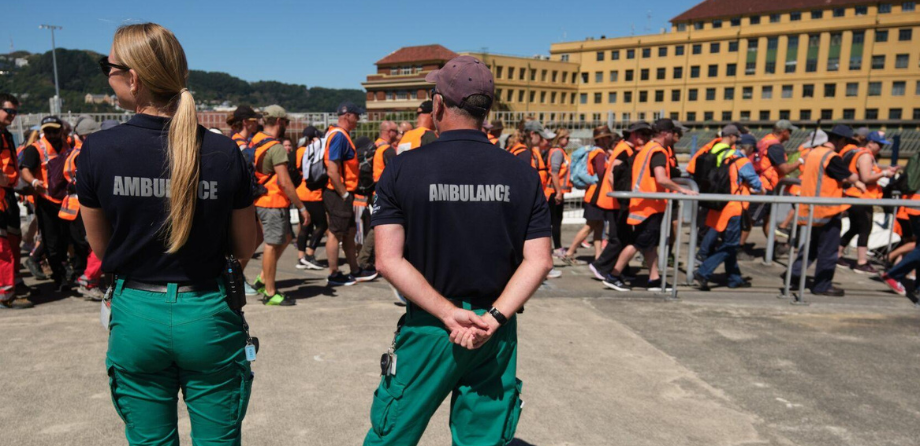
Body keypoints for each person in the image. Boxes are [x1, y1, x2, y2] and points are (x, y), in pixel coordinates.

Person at [80, 22, 257, 445]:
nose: (106, 73)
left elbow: (101, 245)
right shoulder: (223, 151)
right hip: (209, 310)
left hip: (137, 311)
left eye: (109, 66)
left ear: (134, 78)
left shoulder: (98, 150)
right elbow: (245, 243)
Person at [363, 54, 551, 446]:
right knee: (482, 437)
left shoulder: (403, 168)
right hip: (494, 328)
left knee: (391, 434)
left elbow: (387, 259)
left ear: (437, 105)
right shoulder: (522, 172)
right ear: (486, 110)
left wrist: (449, 314)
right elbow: (539, 260)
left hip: (431, 326)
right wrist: (494, 318)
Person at [603, 119, 697, 292]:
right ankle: (613, 275)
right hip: (649, 206)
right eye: (673, 133)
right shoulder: (658, 152)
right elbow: (661, 178)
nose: (675, 136)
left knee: (648, 244)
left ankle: (654, 279)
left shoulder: (646, 149)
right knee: (638, 243)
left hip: (643, 204)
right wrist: (682, 190)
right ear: (665, 133)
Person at [790, 124, 866, 297]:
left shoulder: (814, 152)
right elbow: (848, 175)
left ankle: (793, 276)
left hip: (811, 209)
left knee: (811, 248)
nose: (845, 146)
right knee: (828, 251)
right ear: (839, 140)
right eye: (845, 142)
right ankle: (822, 286)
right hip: (827, 210)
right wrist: (858, 182)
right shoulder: (831, 157)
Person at [250, 105, 309, 306]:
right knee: (272, 244)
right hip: (273, 202)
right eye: (286, 122)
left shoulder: (256, 141)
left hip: (261, 200)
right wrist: (301, 206)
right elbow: (284, 181)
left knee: (285, 238)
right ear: (278, 121)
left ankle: (263, 277)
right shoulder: (275, 147)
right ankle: (270, 292)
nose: (287, 126)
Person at [693, 131, 763, 290]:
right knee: (731, 245)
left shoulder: (724, 156)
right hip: (735, 207)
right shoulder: (742, 161)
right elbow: (756, 184)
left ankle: (734, 278)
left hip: (720, 205)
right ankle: (703, 272)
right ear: (750, 148)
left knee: (728, 244)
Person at [591, 121, 651, 280]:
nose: (645, 138)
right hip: (614, 200)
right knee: (617, 238)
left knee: (623, 237)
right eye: (642, 134)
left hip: (616, 199)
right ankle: (600, 266)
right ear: (633, 134)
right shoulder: (625, 150)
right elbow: (613, 172)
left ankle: (622, 270)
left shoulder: (627, 148)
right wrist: (619, 194)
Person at [20, 116, 74, 292]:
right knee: (51, 242)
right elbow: (25, 170)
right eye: (47, 131)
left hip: (67, 200)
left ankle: (66, 271)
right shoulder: (35, 149)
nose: (51, 134)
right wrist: (34, 182)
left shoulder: (69, 145)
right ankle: (59, 277)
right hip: (46, 201)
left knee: (68, 239)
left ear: (61, 131)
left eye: (54, 131)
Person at [838, 131, 898, 273]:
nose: (881, 148)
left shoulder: (858, 152)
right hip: (860, 197)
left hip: (853, 195)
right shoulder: (865, 156)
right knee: (865, 228)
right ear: (870, 143)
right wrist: (885, 174)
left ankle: (837, 254)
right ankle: (861, 262)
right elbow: (865, 178)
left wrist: (883, 170)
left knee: (854, 228)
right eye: (879, 145)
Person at [324, 102, 366, 285]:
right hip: (338, 193)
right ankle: (333, 274)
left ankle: (354, 269)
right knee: (335, 232)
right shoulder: (339, 136)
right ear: (347, 116)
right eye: (356, 116)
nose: (358, 120)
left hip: (341, 192)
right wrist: (344, 194)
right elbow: (332, 170)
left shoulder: (337, 134)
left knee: (348, 232)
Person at [65, 115, 106, 301]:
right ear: (86, 135)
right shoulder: (85, 153)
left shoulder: (74, 152)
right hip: (84, 207)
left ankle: (88, 279)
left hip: (74, 207)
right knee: (100, 244)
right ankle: (89, 280)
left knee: (90, 246)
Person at [561, 125, 613, 264]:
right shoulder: (600, 154)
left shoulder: (594, 151)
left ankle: (598, 256)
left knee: (599, 226)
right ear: (603, 139)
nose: (609, 139)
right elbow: (602, 174)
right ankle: (570, 252)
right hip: (596, 195)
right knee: (590, 226)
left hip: (593, 192)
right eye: (607, 137)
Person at [0, 93, 31, 309]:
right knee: (2, 246)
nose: (12, 115)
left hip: (8, 193)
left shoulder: (7, 135)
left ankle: (14, 282)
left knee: (13, 238)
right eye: (8, 111)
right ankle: (5, 293)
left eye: (15, 112)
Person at [357, 121, 399, 275]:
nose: (398, 134)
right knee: (378, 228)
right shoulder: (387, 150)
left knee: (376, 226)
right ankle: (364, 260)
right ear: (389, 132)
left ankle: (367, 259)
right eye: (396, 131)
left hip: (374, 191)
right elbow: (395, 173)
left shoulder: (375, 146)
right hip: (385, 193)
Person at [294, 126, 328, 270]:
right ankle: (309, 254)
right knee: (322, 225)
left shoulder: (299, 151)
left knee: (305, 226)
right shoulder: (314, 150)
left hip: (300, 192)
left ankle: (301, 257)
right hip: (312, 194)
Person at [545, 128, 571, 253]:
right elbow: (554, 173)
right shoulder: (558, 152)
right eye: (566, 138)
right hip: (554, 192)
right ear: (559, 138)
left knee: (555, 221)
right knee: (555, 221)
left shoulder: (558, 151)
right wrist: (559, 192)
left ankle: (556, 247)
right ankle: (557, 247)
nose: (568, 141)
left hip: (555, 190)